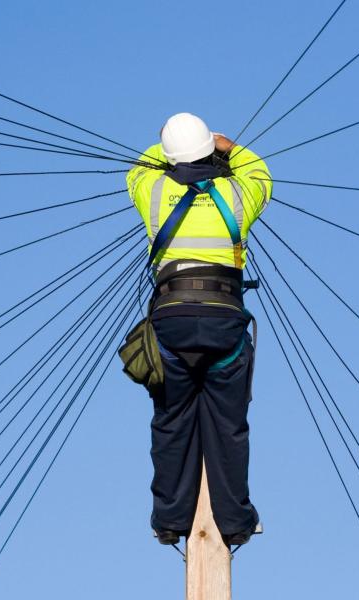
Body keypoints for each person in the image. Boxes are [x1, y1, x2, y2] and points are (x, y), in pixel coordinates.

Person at [126, 112, 272, 546]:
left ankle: (169, 521)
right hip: (224, 318)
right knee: (229, 424)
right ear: (211, 148)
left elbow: (141, 164)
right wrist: (228, 146)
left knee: (171, 421)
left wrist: (172, 148)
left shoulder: (151, 191)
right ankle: (235, 522)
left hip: (170, 322)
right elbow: (260, 171)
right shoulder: (239, 194)